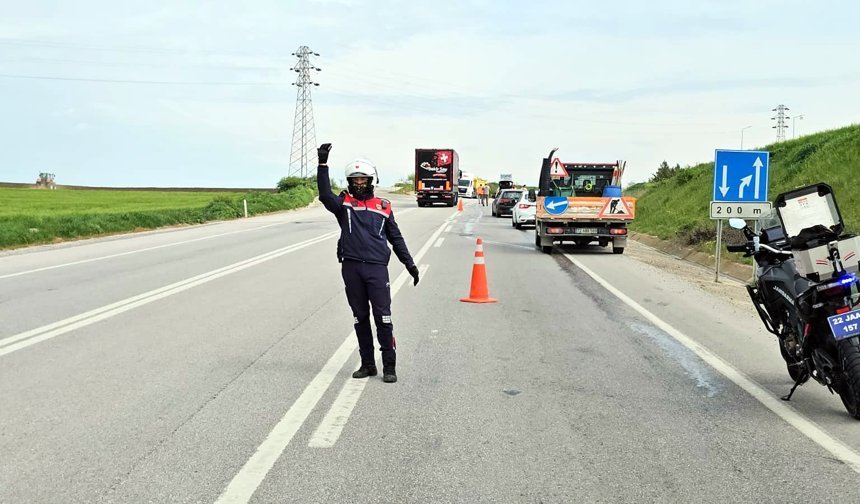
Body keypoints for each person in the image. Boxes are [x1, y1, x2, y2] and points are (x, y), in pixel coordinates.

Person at [316, 143, 420, 383]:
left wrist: (410, 265)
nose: (359, 183)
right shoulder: (343, 205)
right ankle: (368, 364)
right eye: (355, 180)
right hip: (351, 268)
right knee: (360, 317)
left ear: (371, 180)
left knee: (383, 317)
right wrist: (323, 165)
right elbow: (324, 195)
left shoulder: (383, 207)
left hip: (376, 269)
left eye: (363, 180)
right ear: (349, 182)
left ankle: (389, 366)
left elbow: (396, 238)